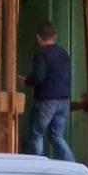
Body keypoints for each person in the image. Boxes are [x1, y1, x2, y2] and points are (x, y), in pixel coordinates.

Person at [24, 19, 75, 161]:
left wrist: (26, 81)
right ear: (55, 36)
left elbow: (39, 76)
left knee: (36, 134)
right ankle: (72, 165)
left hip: (47, 101)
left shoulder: (41, 54)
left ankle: (38, 168)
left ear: (38, 38)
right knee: (56, 135)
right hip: (64, 101)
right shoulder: (64, 54)